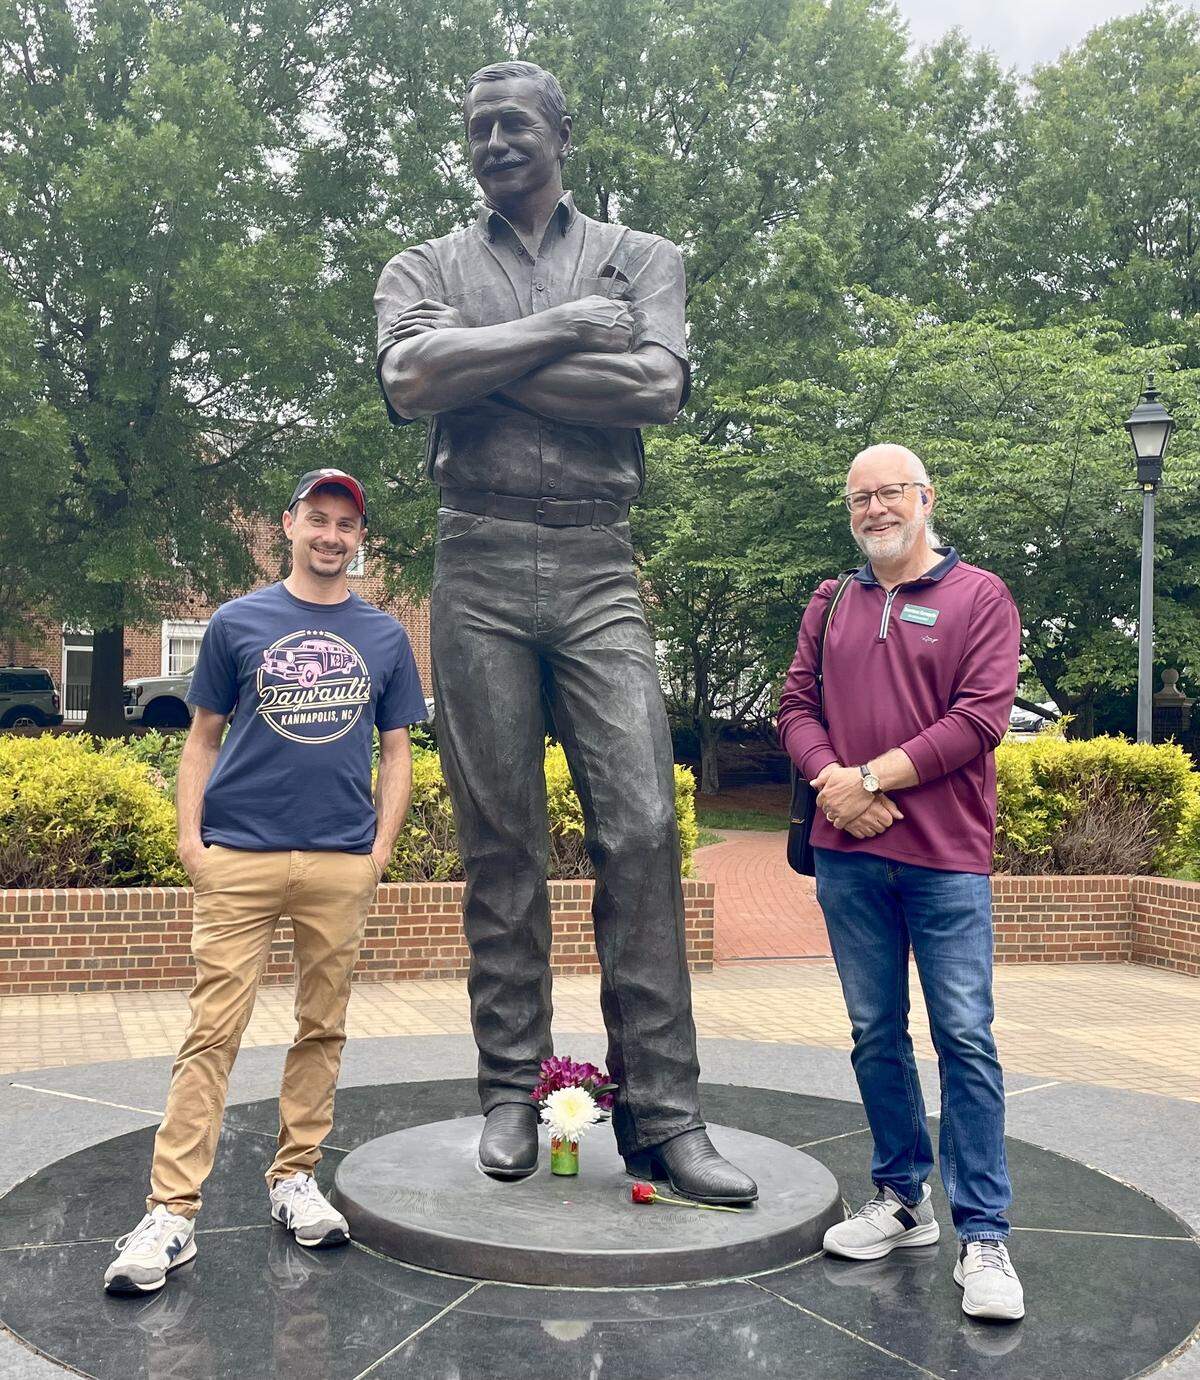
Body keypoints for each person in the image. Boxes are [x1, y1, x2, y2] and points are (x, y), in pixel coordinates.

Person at [373, 60, 755, 1205]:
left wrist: (486, 364)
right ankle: (509, 1091)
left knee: (640, 822)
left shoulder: (644, 260)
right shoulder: (423, 264)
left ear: (561, 135)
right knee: (499, 837)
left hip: (596, 558)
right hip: (475, 557)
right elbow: (410, 375)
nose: (495, 140)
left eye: (516, 124)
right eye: (477, 124)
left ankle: (665, 1111)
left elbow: (652, 392)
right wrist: (559, 332)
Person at [104, 468, 428, 1294]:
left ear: (361, 540)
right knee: (211, 1035)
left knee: (322, 1027)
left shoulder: (386, 637)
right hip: (239, 856)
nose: (330, 535)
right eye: (316, 519)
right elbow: (201, 737)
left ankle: (294, 1179)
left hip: (339, 860)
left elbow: (398, 752)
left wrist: (378, 851)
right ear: (288, 525)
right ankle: (171, 1215)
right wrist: (191, 841)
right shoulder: (237, 623)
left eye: (346, 526)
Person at [777, 444, 1025, 1321]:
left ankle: (985, 1233)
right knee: (875, 1030)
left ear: (927, 498)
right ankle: (900, 1199)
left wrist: (870, 779)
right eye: (859, 497)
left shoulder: (980, 597)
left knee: (964, 1037)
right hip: (849, 856)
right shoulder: (832, 601)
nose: (875, 509)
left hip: (946, 860)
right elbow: (795, 706)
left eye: (890, 493)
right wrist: (832, 783)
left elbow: (980, 718)